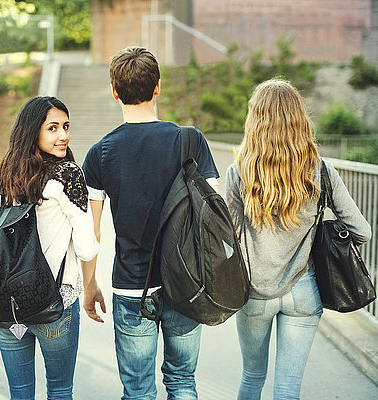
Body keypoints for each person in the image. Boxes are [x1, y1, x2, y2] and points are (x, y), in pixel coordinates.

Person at [81, 46, 220, 400]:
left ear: (114, 92)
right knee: (183, 382)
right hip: (186, 283)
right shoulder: (189, 140)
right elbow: (214, 213)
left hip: (130, 287)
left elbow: (91, 232)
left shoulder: (99, 153)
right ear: (158, 87)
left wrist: (89, 284)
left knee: (138, 391)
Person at [225, 78, 372, 400]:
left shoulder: (238, 173)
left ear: (256, 120)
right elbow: (362, 231)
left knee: (251, 377)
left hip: (254, 294)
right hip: (303, 291)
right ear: (300, 120)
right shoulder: (321, 172)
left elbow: (229, 240)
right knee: (288, 389)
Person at [0, 96, 99, 400]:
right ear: (33, 132)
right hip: (54, 305)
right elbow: (87, 247)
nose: (63, 135)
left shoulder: (1, 181)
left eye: (66, 126)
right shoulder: (67, 175)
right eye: (52, 128)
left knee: (20, 394)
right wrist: (90, 285)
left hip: (6, 307)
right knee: (60, 391)